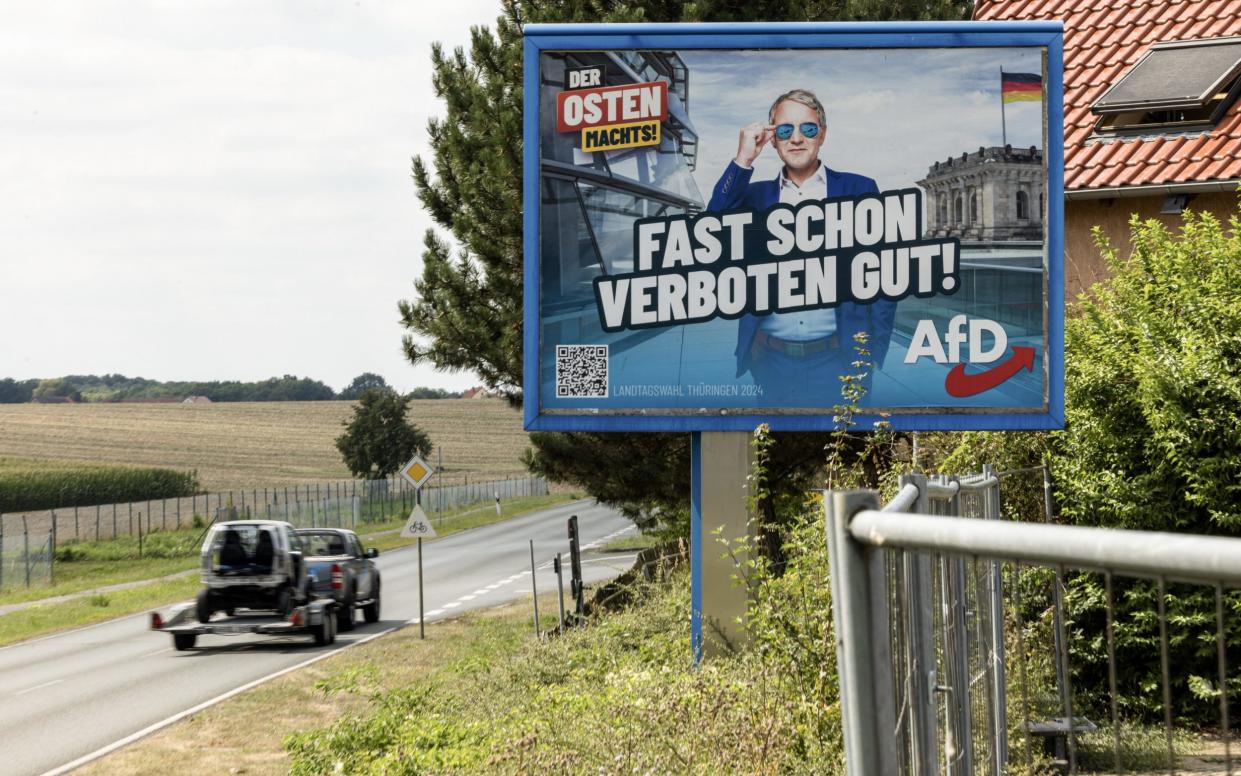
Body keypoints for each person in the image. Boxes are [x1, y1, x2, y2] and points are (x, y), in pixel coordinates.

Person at [708, 88, 895, 404]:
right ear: (774, 140)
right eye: (785, 130)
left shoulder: (861, 189)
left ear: (822, 135)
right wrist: (743, 159)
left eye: (807, 128)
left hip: (842, 360)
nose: (796, 138)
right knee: (773, 450)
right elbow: (709, 234)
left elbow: (885, 274)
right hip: (769, 360)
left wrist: (874, 352)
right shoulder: (753, 197)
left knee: (847, 451)